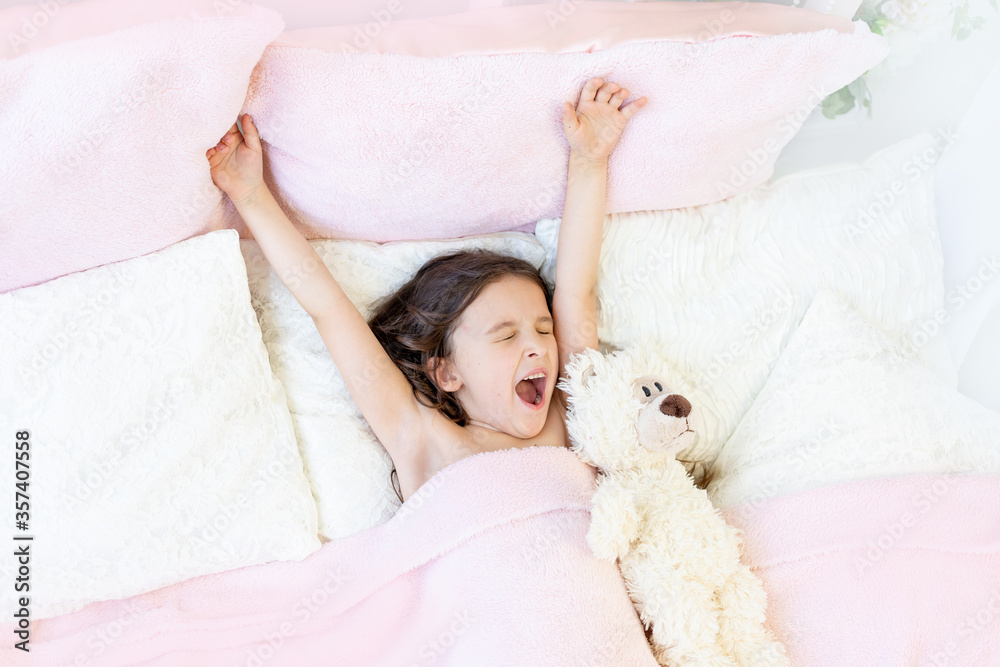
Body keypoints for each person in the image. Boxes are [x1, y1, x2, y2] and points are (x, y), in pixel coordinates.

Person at [206, 77, 647, 504]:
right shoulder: (425, 439)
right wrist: (250, 194)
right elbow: (328, 308)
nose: (538, 348)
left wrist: (590, 160)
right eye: (507, 335)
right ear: (447, 373)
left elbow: (575, 290)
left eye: (544, 329)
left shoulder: (571, 412)